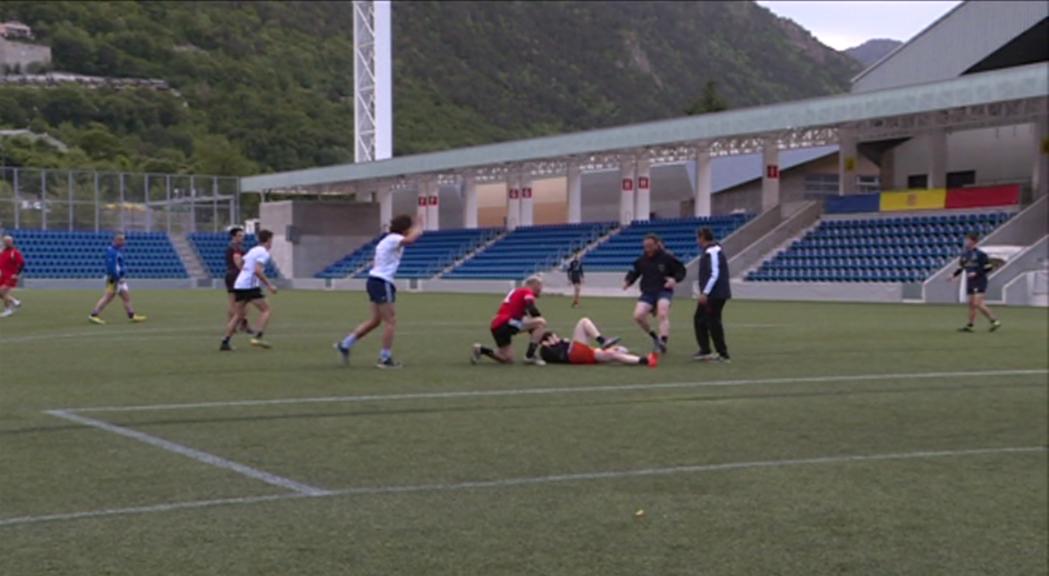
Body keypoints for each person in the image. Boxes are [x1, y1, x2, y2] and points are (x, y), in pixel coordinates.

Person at [335, 214, 424, 368]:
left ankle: (345, 344)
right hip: (382, 281)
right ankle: (385, 358)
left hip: (374, 280)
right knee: (391, 321)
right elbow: (409, 240)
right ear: (405, 229)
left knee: (376, 320)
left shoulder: (386, 240)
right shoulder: (394, 238)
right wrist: (419, 227)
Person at [623, 233, 686, 354]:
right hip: (648, 292)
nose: (647, 248)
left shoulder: (667, 258)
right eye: (645, 246)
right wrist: (628, 281)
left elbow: (681, 270)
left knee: (662, 312)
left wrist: (674, 280)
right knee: (638, 316)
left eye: (650, 246)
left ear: (657, 245)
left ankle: (663, 341)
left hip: (664, 290)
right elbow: (635, 272)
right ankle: (655, 338)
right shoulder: (642, 260)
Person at [471, 275, 548, 365]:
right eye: (540, 286)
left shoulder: (517, 291)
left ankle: (480, 349)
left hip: (497, 325)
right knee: (541, 322)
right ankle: (530, 356)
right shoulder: (527, 291)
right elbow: (531, 308)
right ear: (534, 284)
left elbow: (522, 314)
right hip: (507, 322)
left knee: (507, 358)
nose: (541, 289)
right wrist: (539, 321)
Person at [221, 229, 277, 350]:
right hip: (249, 286)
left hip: (240, 284)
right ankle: (257, 337)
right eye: (272, 240)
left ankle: (225, 341)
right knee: (266, 310)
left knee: (238, 314)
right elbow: (257, 270)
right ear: (268, 240)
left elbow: (241, 262)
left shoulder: (253, 249)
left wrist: (245, 273)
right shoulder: (263, 252)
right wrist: (269, 285)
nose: (272, 243)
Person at [537, 317, 658, 367]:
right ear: (546, 341)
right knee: (583, 321)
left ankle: (644, 360)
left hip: (585, 355)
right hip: (573, 355)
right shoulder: (547, 349)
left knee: (618, 351)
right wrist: (548, 344)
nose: (557, 338)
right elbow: (549, 355)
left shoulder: (557, 346)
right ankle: (602, 340)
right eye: (553, 337)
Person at [89, 233, 147, 325]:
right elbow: (111, 268)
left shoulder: (117, 251)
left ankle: (132, 315)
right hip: (115, 279)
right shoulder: (112, 252)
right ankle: (94, 315)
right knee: (108, 297)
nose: (124, 242)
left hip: (119, 279)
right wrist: (117, 278)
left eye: (124, 240)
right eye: (121, 240)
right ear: (116, 240)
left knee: (126, 297)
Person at [948, 232, 1001, 333]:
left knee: (977, 303)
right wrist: (953, 275)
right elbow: (961, 267)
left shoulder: (981, 255)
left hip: (980, 281)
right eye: (965, 240)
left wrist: (976, 273)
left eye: (967, 240)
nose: (965, 242)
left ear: (974, 242)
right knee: (971, 304)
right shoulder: (964, 255)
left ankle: (995, 321)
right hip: (971, 282)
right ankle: (970, 325)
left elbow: (988, 268)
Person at [693, 227, 732, 362]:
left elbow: (714, 273)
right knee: (700, 319)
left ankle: (723, 354)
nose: (697, 241)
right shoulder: (708, 251)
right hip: (711, 294)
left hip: (715, 294)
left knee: (713, 322)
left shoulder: (713, 250)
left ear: (702, 237)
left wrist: (705, 292)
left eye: (698, 238)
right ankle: (705, 349)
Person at [225, 227, 254, 335]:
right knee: (244, 302)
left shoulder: (233, 246)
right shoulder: (235, 247)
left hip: (231, 275)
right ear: (234, 236)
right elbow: (238, 262)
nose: (242, 237)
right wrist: (246, 272)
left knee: (237, 302)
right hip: (237, 276)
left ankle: (238, 325)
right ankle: (239, 325)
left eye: (242, 235)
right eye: (239, 235)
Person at [0, 235, 25, 318]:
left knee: (2, 292)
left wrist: (16, 274)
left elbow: (22, 263)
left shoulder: (15, 252)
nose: (6, 243)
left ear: (11, 242)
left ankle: (8, 310)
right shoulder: (3, 252)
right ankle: (15, 301)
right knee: (2, 294)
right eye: (5, 241)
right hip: (2, 276)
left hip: (11, 276)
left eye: (8, 241)